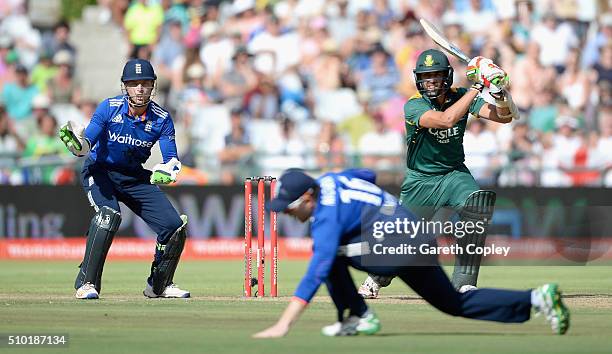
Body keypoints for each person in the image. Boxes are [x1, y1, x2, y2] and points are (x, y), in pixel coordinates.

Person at [252, 168, 569, 338]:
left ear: (309, 196)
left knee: (326, 255)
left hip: (393, 248)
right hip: (417, 236)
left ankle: (358, 317)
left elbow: (316, 273)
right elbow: (368, 175)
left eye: (291, 208)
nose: (289, 214)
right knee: (453, 303)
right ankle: (536, 298)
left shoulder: (326, 217)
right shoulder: (335, 178)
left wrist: (284, 325)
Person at [358, 49, 520, 298]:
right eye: (426, 76)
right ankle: (376, 278)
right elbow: (446, 119)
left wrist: (497, 90)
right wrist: (479, 85)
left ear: (447, 76)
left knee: (478, 205)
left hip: (454, 173)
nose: (431, 81)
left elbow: (504, 117)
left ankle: (464, 283)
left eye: (436, 75)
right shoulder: (413, 105)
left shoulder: (462, 95)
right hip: (421, 180)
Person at [58, 59, 190, 300]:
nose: (140, 89)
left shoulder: (161, 118)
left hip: (133, 176)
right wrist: (78, 145)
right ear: (125, 87)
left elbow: (171, 158)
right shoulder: (109, 108)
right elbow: (86, 145)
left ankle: (159, 285)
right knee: (109, 216)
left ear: (153, 87)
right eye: (134, 83)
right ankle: (87, 283)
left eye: (145, 83)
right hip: (100, 171)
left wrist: (168, 170)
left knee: (173, 227)